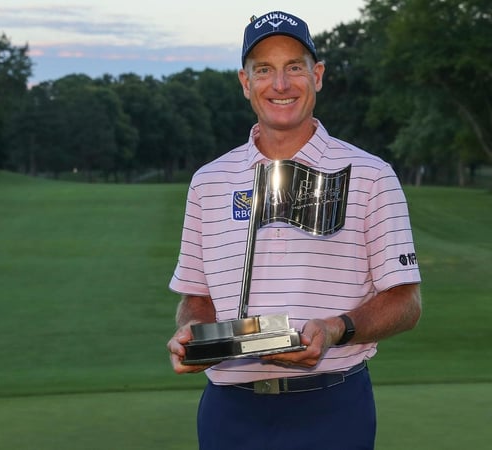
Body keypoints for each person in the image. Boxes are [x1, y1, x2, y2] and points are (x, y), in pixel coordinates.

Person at [167, 10, 422, 450]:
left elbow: (406, 303)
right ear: (245, 83)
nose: (280, 85)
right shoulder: (209, 181)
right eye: (264, 70)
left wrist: (336, 329)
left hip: (332, 407)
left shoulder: (370, 174)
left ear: (317, 75)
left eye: (294, 68)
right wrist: (192, 334)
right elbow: (198, 297)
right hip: (230, 409)